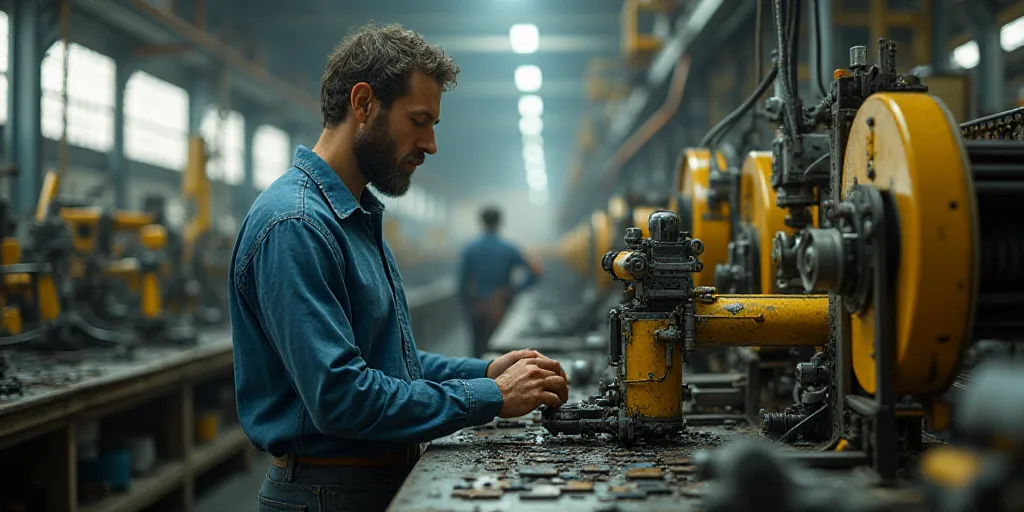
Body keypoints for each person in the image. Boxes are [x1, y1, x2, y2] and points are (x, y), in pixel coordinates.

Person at [228, 24, 569, 512]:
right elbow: (342, 397)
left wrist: (487, 370)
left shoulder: (355, 216)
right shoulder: (296, 224)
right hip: (327, 495)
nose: (430, 144)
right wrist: (489, 396)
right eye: (419, 120)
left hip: (364, 483)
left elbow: (387, 362)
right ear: (363, 103)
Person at [458, 207, 543, 357]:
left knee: (478, 348)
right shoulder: (508, 248)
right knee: (500, 351)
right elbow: (536, 271)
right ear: (500, 222)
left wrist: (469, 304)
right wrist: (515, 290)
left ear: (482, 222)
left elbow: (462, 283)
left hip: (479, 307)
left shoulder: (470, 249)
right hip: (501, 306)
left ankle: (477, 371)